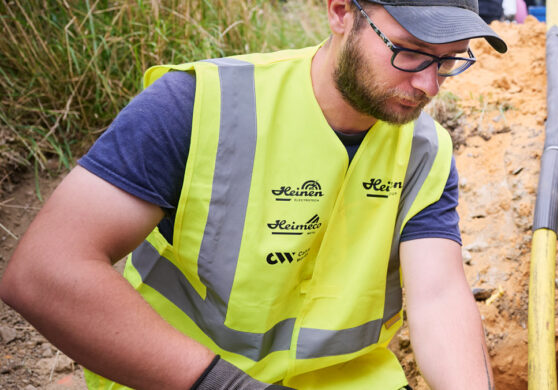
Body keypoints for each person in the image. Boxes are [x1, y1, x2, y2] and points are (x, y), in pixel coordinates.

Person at [0, 0, 507, 388]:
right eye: (410, 51)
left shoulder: (425, 150)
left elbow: (438, 295)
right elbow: (46, 270)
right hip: (179, 376)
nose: (428, 86)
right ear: (339, 12)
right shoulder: (199, 105)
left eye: (447, 62)